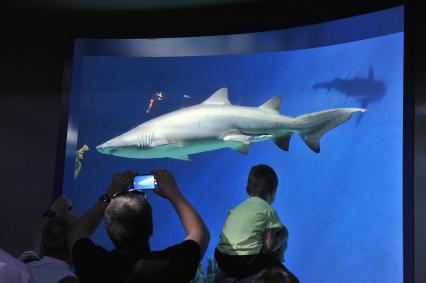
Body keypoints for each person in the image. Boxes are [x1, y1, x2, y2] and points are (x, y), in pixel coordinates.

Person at [68, 170, 210, 283]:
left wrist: (109, 195)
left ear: (108, 229)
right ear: (152, 228)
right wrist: (173, 194)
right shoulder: (170, 265)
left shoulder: (93, 265)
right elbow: (200, 232)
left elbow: (77, 232)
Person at [214, 164, 290, 280]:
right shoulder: (269, 211)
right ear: (274, 193)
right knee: (282, 231)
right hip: (244, 262)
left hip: (222, 260)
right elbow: (269, 247)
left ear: (247, 189)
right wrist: (284, 236)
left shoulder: (236, 209)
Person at [18, 196, 79, 283]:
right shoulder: (67, 279)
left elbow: (30, 249)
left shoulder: (26, 266)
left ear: (45, 241)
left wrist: (52, 212)